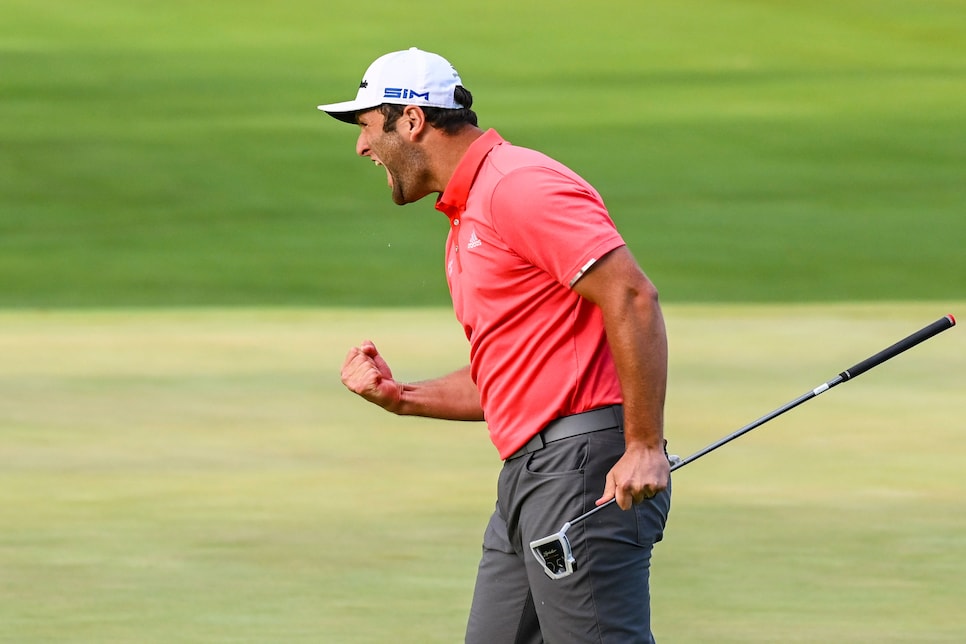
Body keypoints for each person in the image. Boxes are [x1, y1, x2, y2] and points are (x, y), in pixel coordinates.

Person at [319, 47, 672, 644]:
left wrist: (643, 445)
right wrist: (402, 395)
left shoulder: (517, 186)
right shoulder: (469, 214)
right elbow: (509, 373)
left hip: (582, 470)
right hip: (530, 477)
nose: (361, 146)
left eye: (366, 127)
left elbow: (632, 296)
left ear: (411, 121)